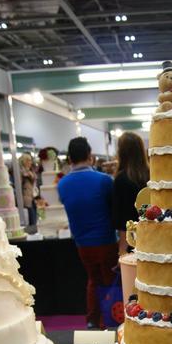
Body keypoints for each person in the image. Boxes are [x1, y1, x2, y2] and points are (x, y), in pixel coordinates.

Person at [58, 137, 118, 329]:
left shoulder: (62, 184)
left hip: (82, 243)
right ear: (90, 156)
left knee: (93, 280)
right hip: (106, 240)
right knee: (110, 281)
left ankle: (92, 320)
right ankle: (109, 321)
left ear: (70, 158)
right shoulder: (104, 180)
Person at [112, 132, 149, 256]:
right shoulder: (151, 175)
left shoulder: (121, 179)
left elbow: (122, 218)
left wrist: (122, 249)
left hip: (131, 240)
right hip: (152, 235)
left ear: (121, 152)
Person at [19, 153, 38, 228]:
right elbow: (19, 184)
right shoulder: (22, 172)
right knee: (31, 218)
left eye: (30, 160)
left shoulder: (30, 171)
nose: (30, 162)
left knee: (34, 217)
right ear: (25, 161)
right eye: (29, 160)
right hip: (26, 197)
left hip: (32, 196)